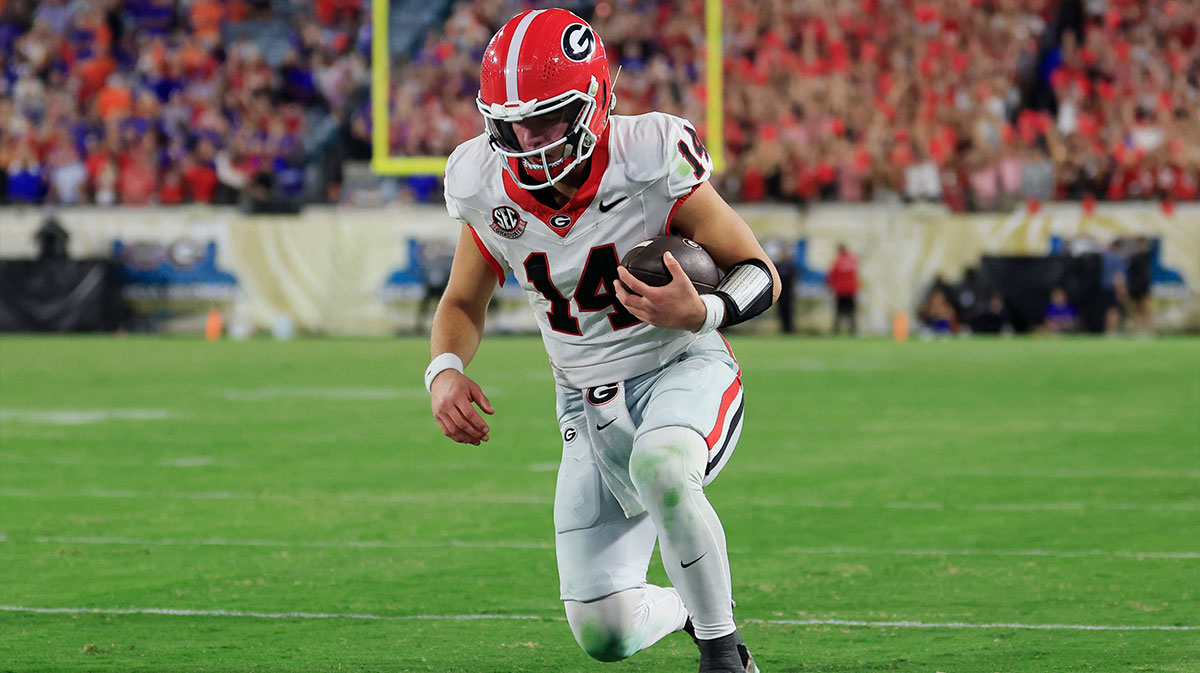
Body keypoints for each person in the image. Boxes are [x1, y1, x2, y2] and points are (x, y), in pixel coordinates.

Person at [425, 10, 778, 672]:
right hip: (587, 406)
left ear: (594, 101)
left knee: (663, 465)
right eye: (514, 123)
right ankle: (687, 605)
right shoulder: (480, 181)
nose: (530, 141)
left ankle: (724, 655)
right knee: (606, 632)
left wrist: (700, 309)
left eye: (550, 119)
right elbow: (462, 301)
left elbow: (759, 271)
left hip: (682, 367)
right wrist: (444, 370)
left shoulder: (649, 156)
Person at [826, 243, 858, 335]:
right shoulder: (852, 261)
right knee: (851, 312)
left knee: (839, 312)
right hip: (850, 290)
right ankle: (852, 330)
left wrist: (831, 287)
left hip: (840, 291)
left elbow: (832, 276)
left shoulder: (837, 261)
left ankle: (836, 330)